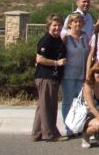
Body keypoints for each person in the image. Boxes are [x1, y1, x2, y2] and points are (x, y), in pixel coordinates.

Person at [32, 14, 68, 142]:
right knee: (48, 106)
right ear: (49, 26)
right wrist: (56, 63)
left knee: (43, 105)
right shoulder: (46, 40)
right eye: (54, 25)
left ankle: (36, 134)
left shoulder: (57, 39)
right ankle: (50, 134)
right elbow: (39, 59)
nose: (57, 27)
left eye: (59, 25)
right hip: (45, 77)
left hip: (53, 77)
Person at [61, 12, 89, 137]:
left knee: (80, 103)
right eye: (75, 22)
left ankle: (77, 127)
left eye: (79, 22)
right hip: (68, 75)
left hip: (81, 75)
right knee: (68, 102)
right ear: (70, 24)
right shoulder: (66, 38)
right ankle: (68, 128)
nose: (77, 24)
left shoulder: (85, 37)